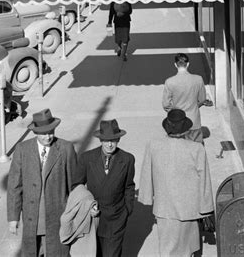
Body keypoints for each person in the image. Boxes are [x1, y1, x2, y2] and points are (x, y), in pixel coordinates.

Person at [138, 109, 215, 257]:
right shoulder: (196, 149)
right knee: (187, 249)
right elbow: (204, 181)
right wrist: (206, 209)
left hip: (164, 209)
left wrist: (146, 197)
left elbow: (146, 174)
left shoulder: (153, 145)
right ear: (185, 129)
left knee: (167, 250)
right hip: (189, 210)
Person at [7, 108, 77, 257]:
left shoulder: (66, 148)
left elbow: (74, 184)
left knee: (57, 252)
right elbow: (14, 186)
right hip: (32, 218)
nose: (48, 136)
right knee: (33, 252)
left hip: (57, 217)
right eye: (44, 133)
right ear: (35, 132)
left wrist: (74, 214)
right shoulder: (22, 149)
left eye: (51, 132)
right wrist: (13, 218)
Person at [73, 119, 135, 257]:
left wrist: (127, 210)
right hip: (91, 218)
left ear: (118, 139)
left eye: (113, 140)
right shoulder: (87, 158)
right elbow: (77, 186)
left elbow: (129, 186)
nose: (110, 144)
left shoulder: (127, 159)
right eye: (106, 140)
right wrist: (87, 207)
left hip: (116, 219)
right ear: (100, 140)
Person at [162, 52, 208, 143]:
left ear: (175, 65)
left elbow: (166, 104)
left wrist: (176, 112)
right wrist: (194, 105)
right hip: (194, 121)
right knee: (196, 150)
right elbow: (202, 99)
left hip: (178, 124)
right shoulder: (198, 79)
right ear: (188, 64)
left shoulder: (170, 82)